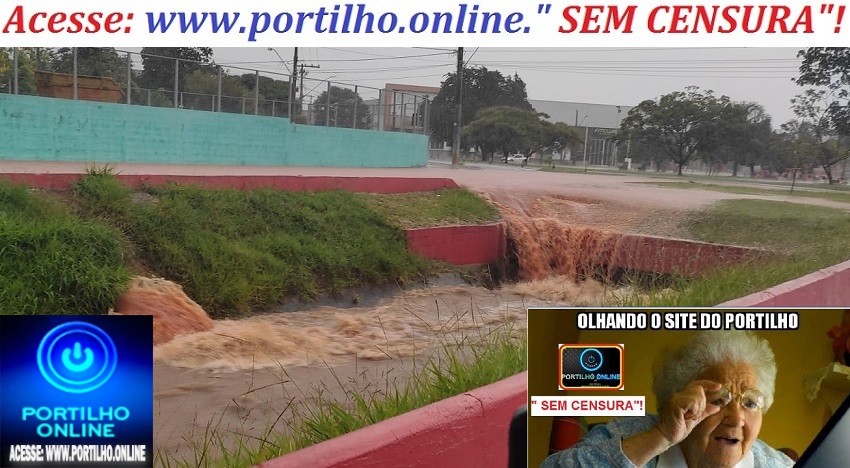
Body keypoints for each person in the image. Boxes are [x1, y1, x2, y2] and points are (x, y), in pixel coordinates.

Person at [542, 331, 794, 468]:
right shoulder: (632, 435)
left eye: (750, 403)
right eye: (718, 400)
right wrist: (661, 435)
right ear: (681, 401)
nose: (737, 417)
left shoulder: (776, 465)